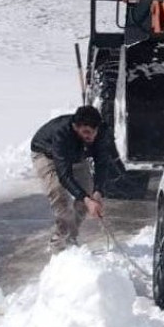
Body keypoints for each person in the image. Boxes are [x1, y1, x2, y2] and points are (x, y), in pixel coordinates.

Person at [30, 105, 126, 253]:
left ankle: (71, 237)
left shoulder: (102, 132)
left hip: (78, 156)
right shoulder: (62, 134)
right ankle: (59, 240)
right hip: (46, 154)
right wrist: (87, 199)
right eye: (86, 132)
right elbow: (64, 174)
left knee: (86, 194)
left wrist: (97, 192)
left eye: (94, 132)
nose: (91, 136)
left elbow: (102, 163)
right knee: (58, 193)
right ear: (75, 127)